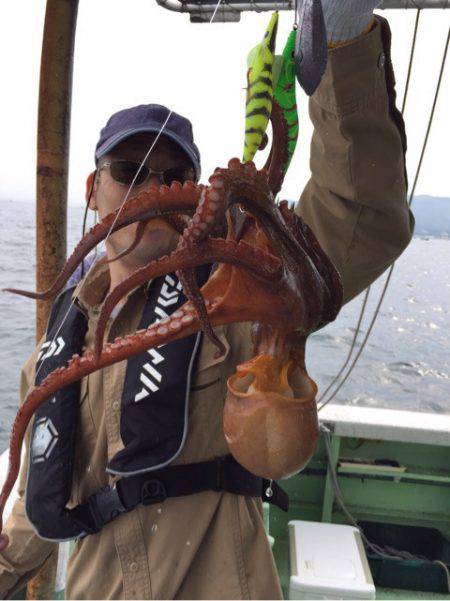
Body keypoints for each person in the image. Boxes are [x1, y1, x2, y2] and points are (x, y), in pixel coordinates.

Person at [0, 3, 415, 599]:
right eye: (130, 171)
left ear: (201, 203)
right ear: (93, 190)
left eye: (175, 177)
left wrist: (344, 45)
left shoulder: (240, 298)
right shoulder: (58, 346)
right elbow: (37, 492)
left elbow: (361, 217)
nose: (154, 190)